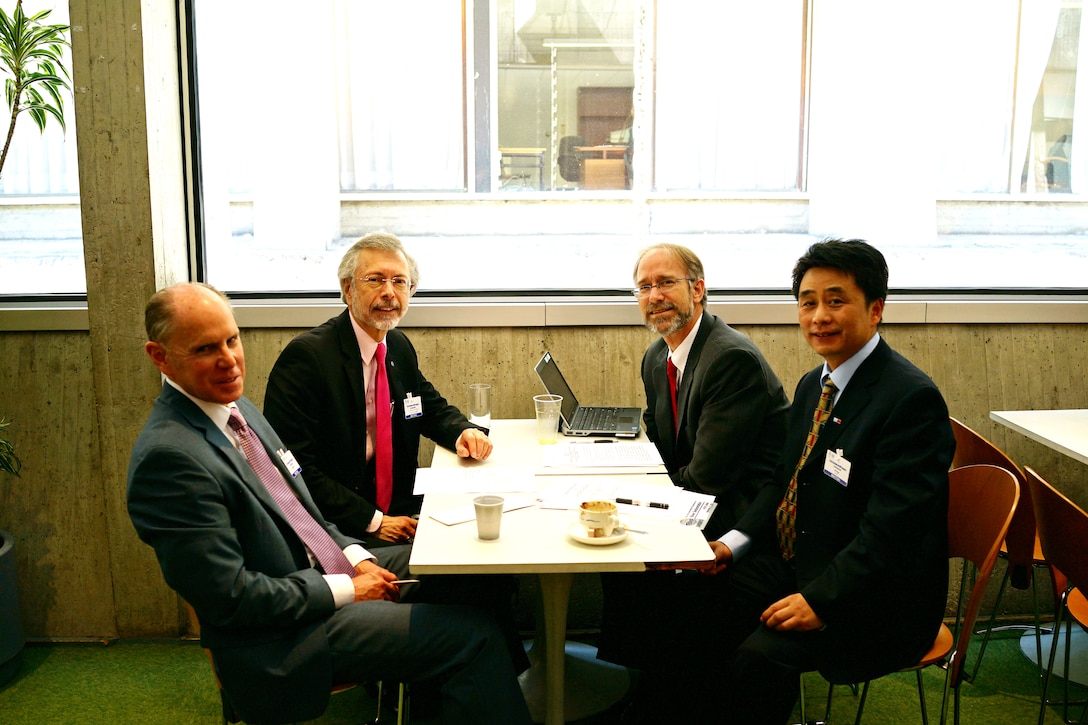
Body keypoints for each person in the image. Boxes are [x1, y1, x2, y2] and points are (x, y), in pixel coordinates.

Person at [126, 282, 531, 725]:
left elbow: (300, 510)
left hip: (322, 572)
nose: (229, 360)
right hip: (287, 636)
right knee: (473, 636)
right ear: (159, 356)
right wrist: (346, 588)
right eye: (205, 349)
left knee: (477, 575)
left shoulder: (236, 408)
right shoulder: (170, 460)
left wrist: (353, 557)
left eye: (232, 340)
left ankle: (471, 698)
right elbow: (232, 600)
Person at [710, 238, 954, 723]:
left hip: (875, 596)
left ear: (876, 309)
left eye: (836, 301)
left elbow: (893, 533)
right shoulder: (812, 385)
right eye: (808, 302)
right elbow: (784, 482)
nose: (819, 315)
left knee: (760, 656)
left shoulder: (910, 400)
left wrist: (822, 600)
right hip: (805, 560)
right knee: (691, 597)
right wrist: (733, 543)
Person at [597, 243, 790, 720]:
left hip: (745, 520)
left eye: (666, 283)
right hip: (702, 501)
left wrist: (630, 498)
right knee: (617, 552)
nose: (654, 295)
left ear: (697, 290)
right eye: (644, 286)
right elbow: (662, 448)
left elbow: (707, 479)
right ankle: (648, 684)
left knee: (632, 557)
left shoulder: (730, 359)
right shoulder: (656, 357)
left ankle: (666, 697)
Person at [264, 232, 490, 545]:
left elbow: (428, 407)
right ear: (347, 288)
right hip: (341, 527)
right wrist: (373, 522)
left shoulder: (396, 345)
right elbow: (294, 468)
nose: (389, 293)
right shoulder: (308, 358)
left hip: (402, 509)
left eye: (400, 281)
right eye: (375, 280)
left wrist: (463, 432)